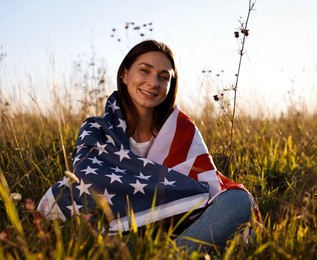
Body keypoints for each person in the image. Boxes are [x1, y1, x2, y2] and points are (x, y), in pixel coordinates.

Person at [38, 39, 259, 252]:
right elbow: (86, 183)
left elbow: (206, 187)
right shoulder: (97, 129)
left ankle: (170, 254)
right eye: (144, 70)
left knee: (238, 201)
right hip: (122, 230)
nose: (153, 82)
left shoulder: (182, 130)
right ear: (125, 74)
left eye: (164, 77)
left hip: (179, 229)